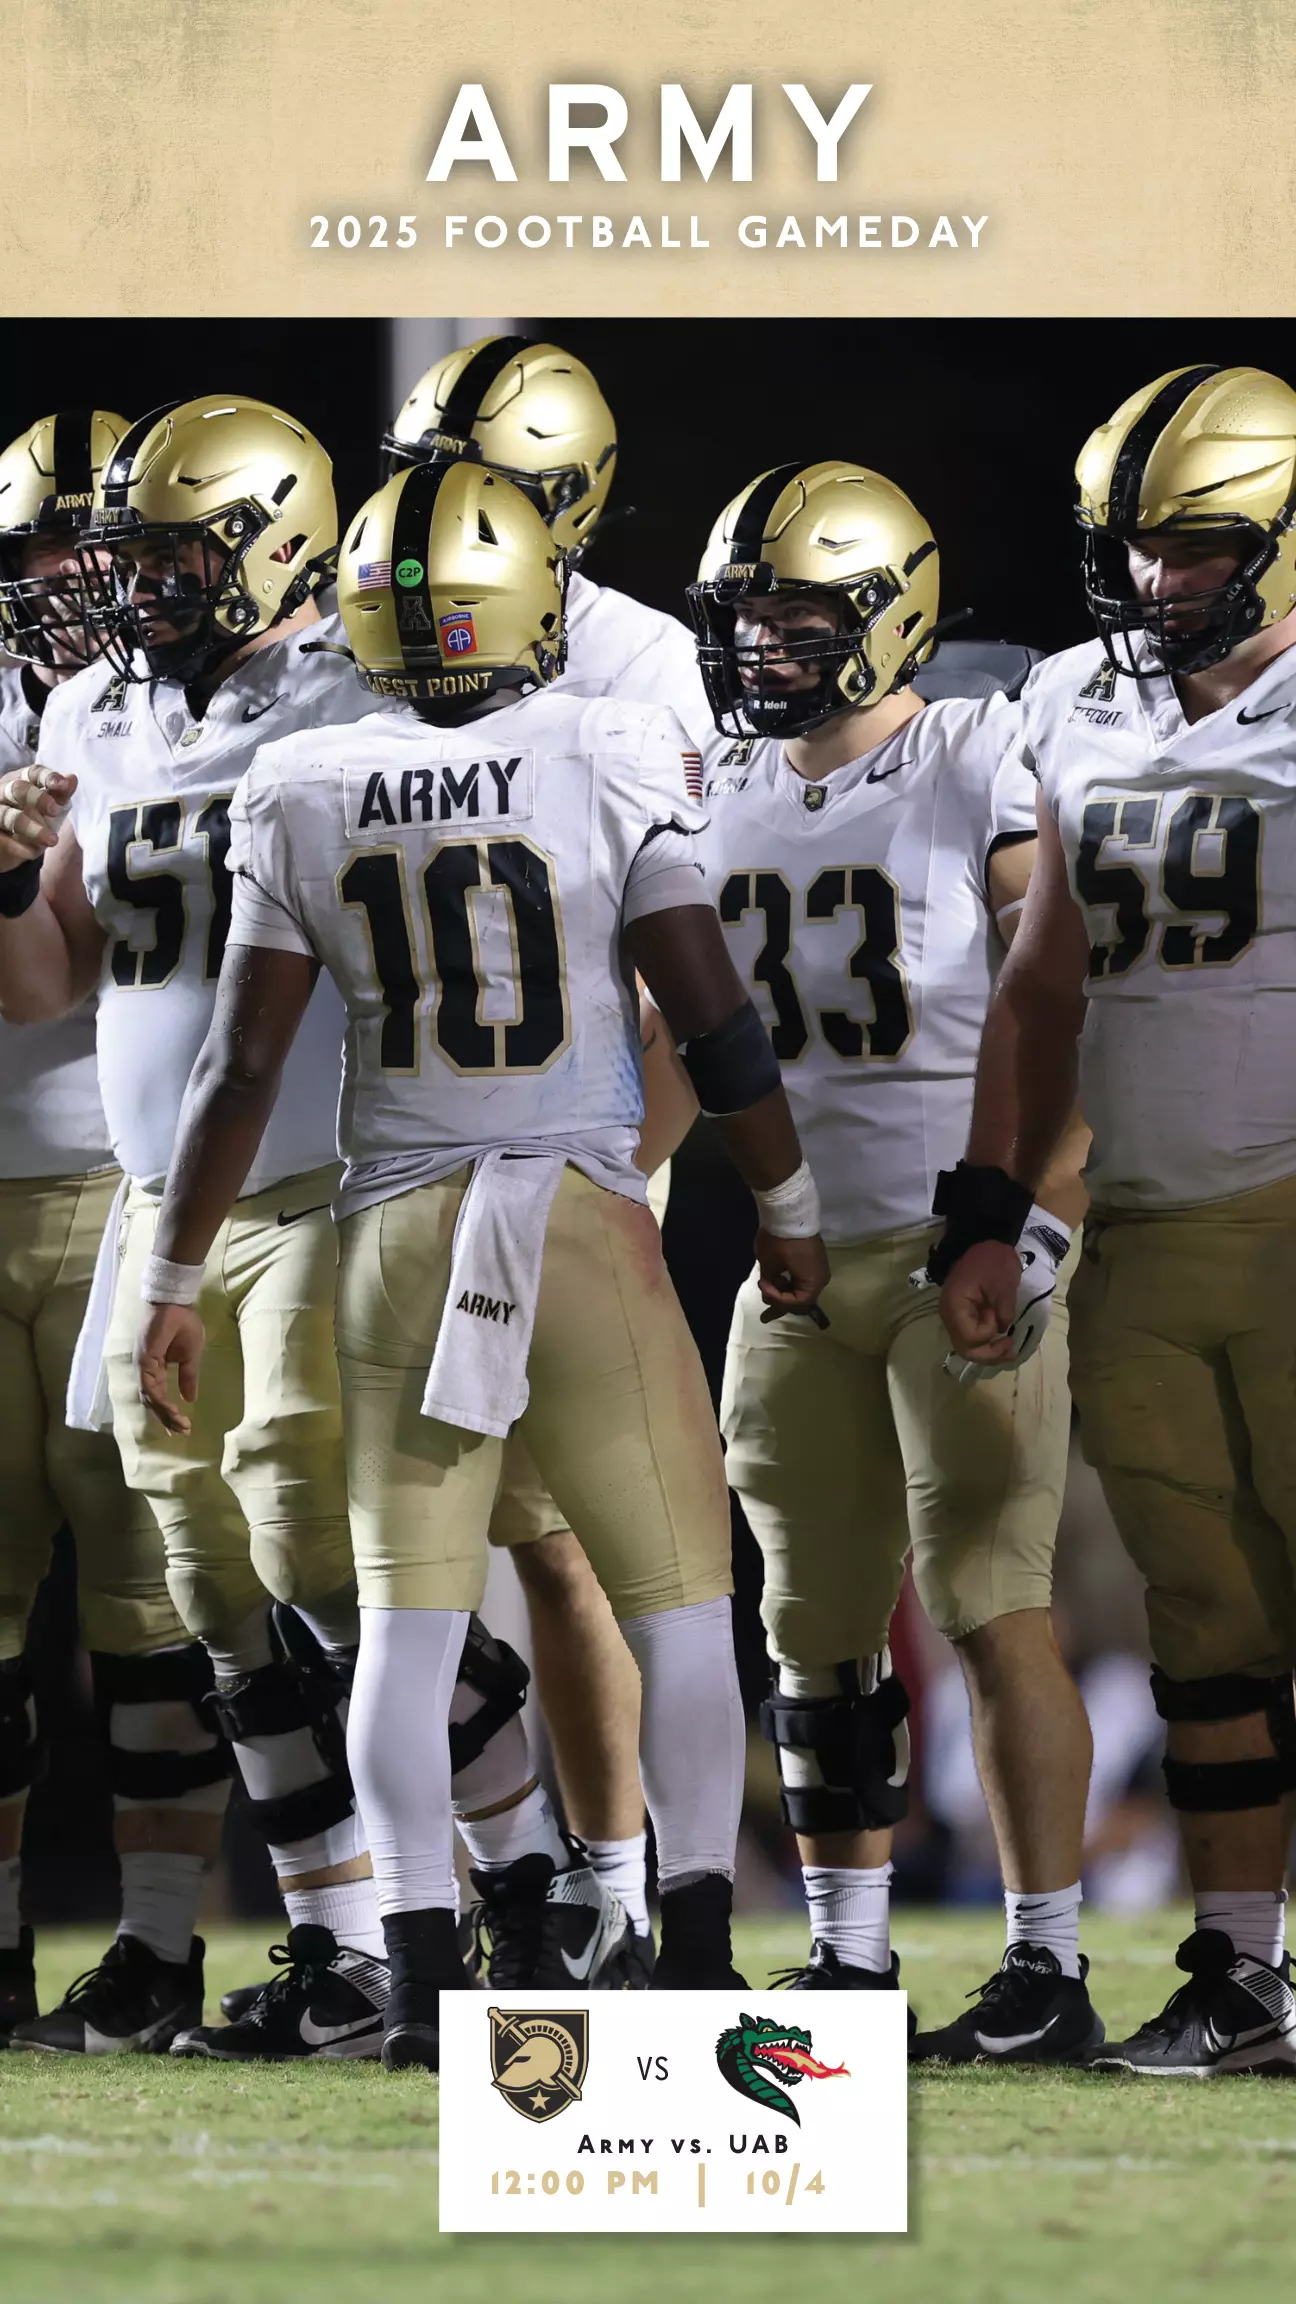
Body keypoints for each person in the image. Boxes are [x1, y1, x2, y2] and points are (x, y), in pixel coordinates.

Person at [132, 456, 829, 2069]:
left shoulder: (301, 781)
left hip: (391, 1236)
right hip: (578, 1222)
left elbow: (237, 1071)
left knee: (407, 1623)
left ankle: (432, 1981)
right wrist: (786, 1211)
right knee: (677, 1609)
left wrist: (172, 1275)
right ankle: (699, 1953)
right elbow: (712, 1019)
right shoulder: (600, 744)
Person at [685, 458, 1102, 2064]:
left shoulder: (978, 760)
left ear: (892, 611)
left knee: (995, 1604)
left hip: (957, 1240)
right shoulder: (715, 778)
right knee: (811, 1624)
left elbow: (1060, 1003)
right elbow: (676, 1033)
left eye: (802, 609)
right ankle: (849, 1967)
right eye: (748, 612)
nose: (768, 643)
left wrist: (1032, 1219)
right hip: (795, 1255)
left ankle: (1045, 1964)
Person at [0, 395, 397, 2056]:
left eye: (177, 550)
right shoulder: (96, 703)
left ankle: (493, 1900)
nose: (142, 584)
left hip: (315, 1178)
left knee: (322, 1560)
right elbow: (53, 981)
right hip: (167, 1199)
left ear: (287, 537)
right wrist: (14, 878)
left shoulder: (363, 696)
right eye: (136, 551)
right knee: (207, 1584)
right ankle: (338, 1943)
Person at [937, 362, 1296, 2075]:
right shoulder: (1073, 697)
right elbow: (1043, 981)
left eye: (1199, 542)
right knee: (1203, 1620)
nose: (1162, 577)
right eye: (1137, 544)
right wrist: (995, 1201)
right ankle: (1239, 1977)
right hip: (1143, 1230)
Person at [381, 333, 714, 1973]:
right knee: (417, 1537)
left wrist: (632, 1176)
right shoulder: (373, 633)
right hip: (402, 1163)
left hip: (570, 1154)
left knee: (573, 1534)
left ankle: (611, 1885)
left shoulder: (638, 662)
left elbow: (681, 969)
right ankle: (494, 1882)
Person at [0, 407, 234, 2053]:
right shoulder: (87, 704)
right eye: (37, 552)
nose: (72, 578)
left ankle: (163, 1949)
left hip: (130, 1183)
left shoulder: (204, 701)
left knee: (154, 1609)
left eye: (106, 545)